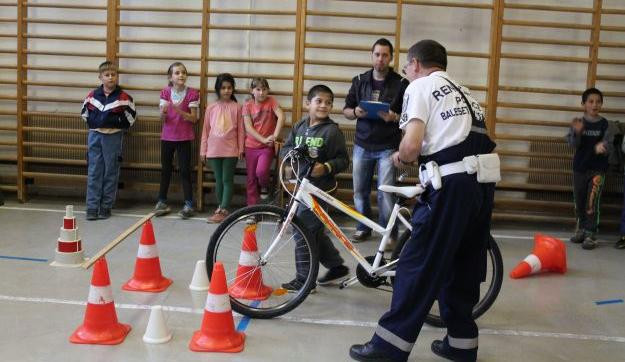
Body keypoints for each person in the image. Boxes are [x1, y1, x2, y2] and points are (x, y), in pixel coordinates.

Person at [350, 40, 497, 362]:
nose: (405, 71)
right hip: (482, 185)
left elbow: (412, 145)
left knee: (416, 263)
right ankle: (461, 345)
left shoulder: (420, 87)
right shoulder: (465, 91)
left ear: (415, 63)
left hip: (453, 188)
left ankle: (389, 347)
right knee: (464, 266)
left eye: (405, 65)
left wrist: (400, 160)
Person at [279, 84, 350, 291]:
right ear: (308, 103)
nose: (324, 106)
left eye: (328, 102)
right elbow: (286, 148)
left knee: (302, 231)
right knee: (314, 232)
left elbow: (343, 160)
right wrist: (290, 163)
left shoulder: (332, 131)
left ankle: (304, 279)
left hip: (321, 190)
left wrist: (326, 167)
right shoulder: (299, 126)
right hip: (301, 187)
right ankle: (336, 266)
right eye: (319, 101)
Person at [343, 38, 409, 244]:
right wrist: (355, 112)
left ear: (391, 58)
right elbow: (346, 110)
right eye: (377, 54)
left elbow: (410, 115)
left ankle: (389, 232)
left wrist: (395, 117)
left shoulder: (401, 83)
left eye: (385, 55)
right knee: (359, 190)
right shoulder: (359, 80)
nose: (380, 59)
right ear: (371, 56)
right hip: (362, 144)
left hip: (388, 146)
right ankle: (363, 227)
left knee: (385, 193)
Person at [81, 61, 136, 221]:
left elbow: (131, 118)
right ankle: (92, 207)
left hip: (113, 137)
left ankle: (106, 206)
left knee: (110, 172)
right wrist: (96, 125)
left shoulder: (124, 98)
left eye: (113, 75)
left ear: (117, 77)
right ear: (100, 77)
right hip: (95, 136)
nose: (110, 77)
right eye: (107, 75)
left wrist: (116, 125)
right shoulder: (92, 96)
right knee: (94, 171)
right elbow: (84, 114)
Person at [566, 87, 614, 250]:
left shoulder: (605, 124)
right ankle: (581, 229)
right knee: (579, 200)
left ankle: (591, 233)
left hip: (597, 170)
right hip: (580, 169)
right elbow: (573, 144)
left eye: (598, 102)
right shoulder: (578, 123)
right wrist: (577, 133)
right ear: (583, 104)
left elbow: (610, 144)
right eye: (591, 101)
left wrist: (604, 146)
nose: (595, 105)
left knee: (591, 201)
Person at [153, 62, 200, 219]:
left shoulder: (193, 93)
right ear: (170, 77)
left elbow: (194, 118)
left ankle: (188, 203)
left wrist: (180, 111)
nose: (181, 75)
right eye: (177, 73)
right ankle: (162, 201)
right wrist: (163, 113)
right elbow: (162, 118)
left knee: (185, 171)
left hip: (184, 138)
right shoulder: (165, 93)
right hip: (167, 137)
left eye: (183, 72)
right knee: (166, 170)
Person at [200, 73, 244, 223]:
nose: (226, 91)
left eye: (229, 88)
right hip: (213, 150)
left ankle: (223, 209)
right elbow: (206, 130)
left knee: (227, 179)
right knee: (218, 179)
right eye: (223, 88)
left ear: (233, 89)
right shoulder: (211, 107)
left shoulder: (237, 107)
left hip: (230, 150)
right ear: (218, 89)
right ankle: (221, 207)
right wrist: (203, 150)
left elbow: (240, 130)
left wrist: (241, 148)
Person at [242, 77, 285, 205]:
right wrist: (263, 139)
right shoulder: (247, 105)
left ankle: (265, 186)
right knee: (251, 178)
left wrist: (274, 136)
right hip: (251, 146)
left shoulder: (271, 101)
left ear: (268, 90)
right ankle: (252, 209)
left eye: (264, 89)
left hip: (267, 147)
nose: (261, 93)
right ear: (252, 91)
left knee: (261, 172)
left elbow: (281, 116)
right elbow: (248, 128)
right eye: (258, 89)